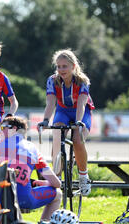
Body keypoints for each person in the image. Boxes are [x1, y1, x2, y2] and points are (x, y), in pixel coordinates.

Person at [38, 49, 94, 196]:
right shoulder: (52, 80)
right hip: (62, 111)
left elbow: (81, 103)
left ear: (73, 66)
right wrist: (45, 120)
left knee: (77, 139)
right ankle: (56, 177)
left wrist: (79, 122)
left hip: (81, 111)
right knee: (57, 136)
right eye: (58, 66)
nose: (61, 69)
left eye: (65, 66)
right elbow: (50, 102)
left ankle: (83, 176)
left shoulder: (83, 81)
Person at [0, 116, 62, 222]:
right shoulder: (33, 149)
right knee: (58, 194)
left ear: (14, 129)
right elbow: (57, 184)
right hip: (23, 199)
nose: (0, 131)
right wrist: (46, 183)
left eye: (3, 128)